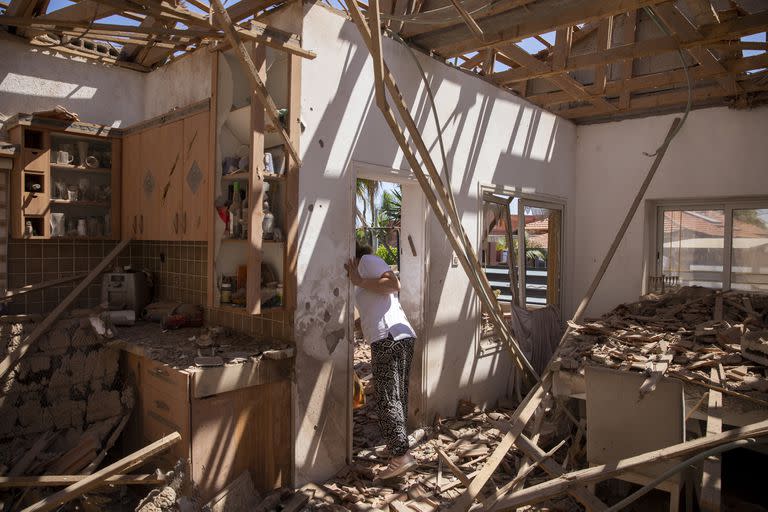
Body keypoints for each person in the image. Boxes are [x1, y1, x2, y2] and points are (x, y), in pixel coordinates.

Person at [345, 242, 418, 480]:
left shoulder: (366, 262)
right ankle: (399, 448)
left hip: (388, 336)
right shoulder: (363, 269)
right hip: (395, 336)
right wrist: (357, 325)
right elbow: (375, 304)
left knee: (387, 396)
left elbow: (393, 284)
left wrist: (358, 280)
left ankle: (400, 456)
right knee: (396, 395)